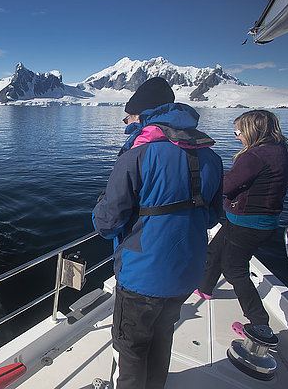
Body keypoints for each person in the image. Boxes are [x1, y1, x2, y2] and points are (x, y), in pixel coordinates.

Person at [92, 77, 223, 389]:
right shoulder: (212, 156)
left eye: (129, 116)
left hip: (143, 275)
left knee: (130, 349)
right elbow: (211, 218)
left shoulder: (137, 156)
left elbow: (106, 223)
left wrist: (100, 206)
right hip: (187, 272)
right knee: (162, 339)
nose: (126, 122)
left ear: (143, 115)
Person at [195, 110, 288, 338]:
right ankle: (205, 289)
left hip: (247, 223)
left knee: (234, 269)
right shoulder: (283, 151)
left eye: (238, 131)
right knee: (215, 249)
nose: (237, 136)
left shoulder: (255, 156)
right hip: (260, 221)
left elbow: (228, 186)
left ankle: (260, 324)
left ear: (252, 130)